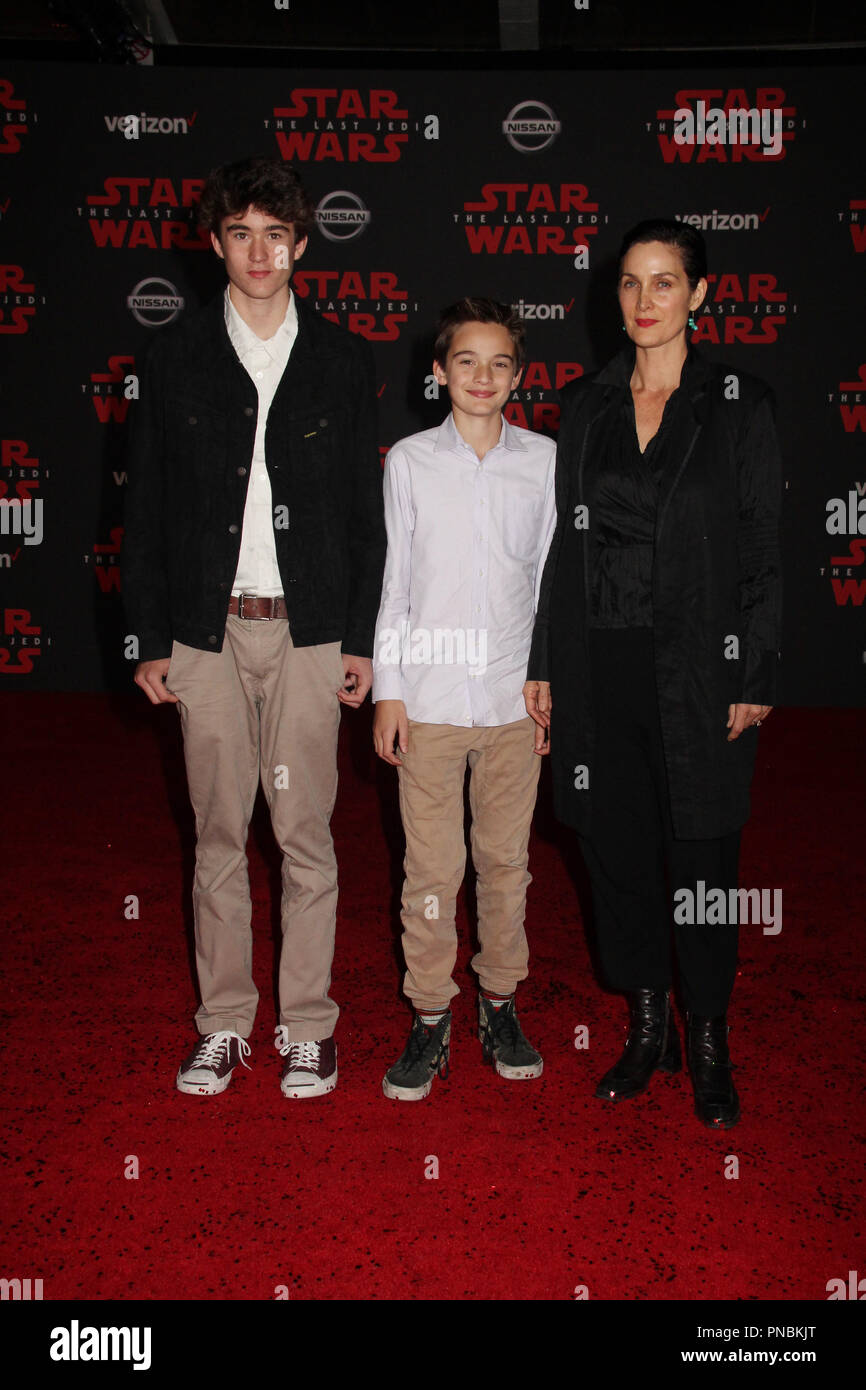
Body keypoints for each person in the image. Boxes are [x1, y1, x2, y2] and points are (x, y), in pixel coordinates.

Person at [122, 154, 385, 1100]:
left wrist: (360, 639)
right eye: (240, 232)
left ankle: (308, 1026)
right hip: (205, 635)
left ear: (302, 245)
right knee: (219, 834)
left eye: (277, 234)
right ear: (216, 242)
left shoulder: (346, 360)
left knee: (306, 834)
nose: (259, 251)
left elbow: (366, 514)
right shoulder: (175, 357)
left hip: (310, 632)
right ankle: (226, 1024)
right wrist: (152, 638)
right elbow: (144, 510)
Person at [524, 220, 782, 1129]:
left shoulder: (740, 401)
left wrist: (753, 667)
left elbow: (759, 544)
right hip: (600, 663)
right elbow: (564, 541)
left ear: (699, 295)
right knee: (616, 849)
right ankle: (646, 1027)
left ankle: (706, 1034)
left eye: (664, 283)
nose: (643, 302)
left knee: (703, 853)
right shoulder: (586, 403)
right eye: (631, 284)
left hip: (700, 668)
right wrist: (547, 660)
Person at [372, 298, 557, 1100]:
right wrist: (391, 692)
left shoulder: (548, 461)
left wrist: (555, 687)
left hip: (516, 698)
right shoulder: (408, 461)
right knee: (432, 869)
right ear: (439, 371)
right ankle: (430, 1015)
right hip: (433, 697)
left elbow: (555, 587)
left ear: (519, 373)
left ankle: (500, 1003)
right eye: (467, 361)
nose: (484, 377)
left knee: (507, 864)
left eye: (501, 363)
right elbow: (396, 587)